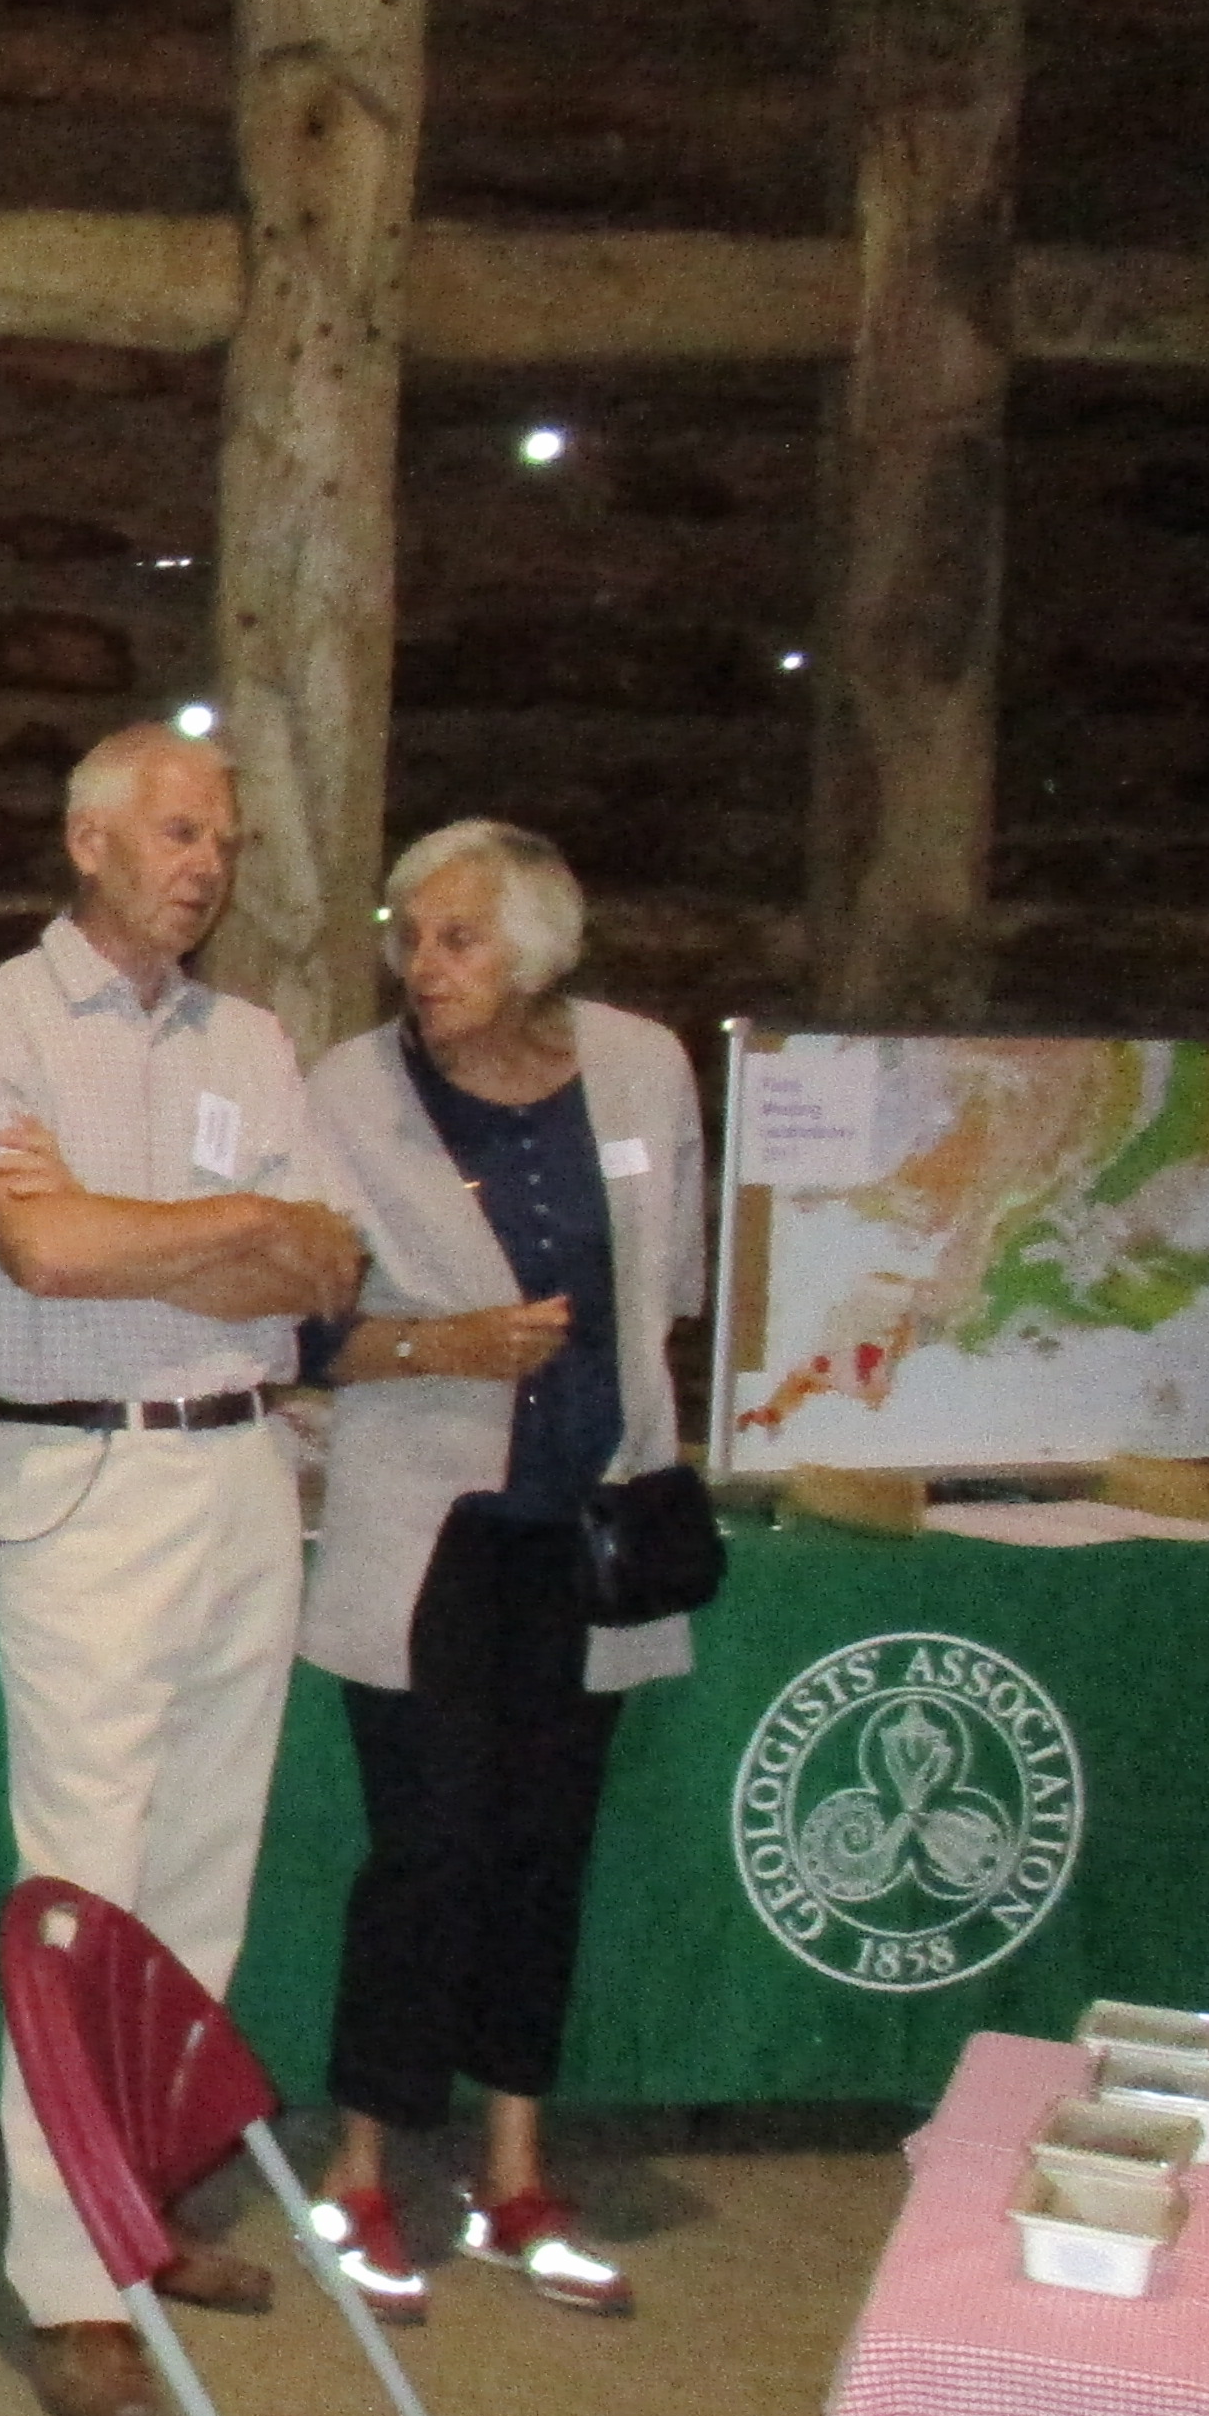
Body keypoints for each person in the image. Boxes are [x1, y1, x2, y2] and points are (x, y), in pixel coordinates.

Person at [0, 722, 365, 2416]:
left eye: (223, 840)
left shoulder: (253, 1038)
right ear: (88, 840)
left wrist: (153, 1230)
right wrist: (226, 1226)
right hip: (83, 1479)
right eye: (178, 833)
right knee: (82, 1889)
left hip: (245, 1470)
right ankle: (72, 2281)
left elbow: (324, 1265)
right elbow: (44, 1250)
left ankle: (147, 2209)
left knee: (197, 1879)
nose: (206, 865)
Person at [291, 822, 707, 2322]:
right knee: (430, 1853)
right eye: (409, 935)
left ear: (535, 952)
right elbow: (298, 1329)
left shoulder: (643, 1068)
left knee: (546, 1852)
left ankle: (514, 2172)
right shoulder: (347, 1092)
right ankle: (359, 2171)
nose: (423, 964)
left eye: (457, 938)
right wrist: (445, 1346)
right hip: (431, 1534)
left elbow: (670, 1286)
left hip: (589, 1528)